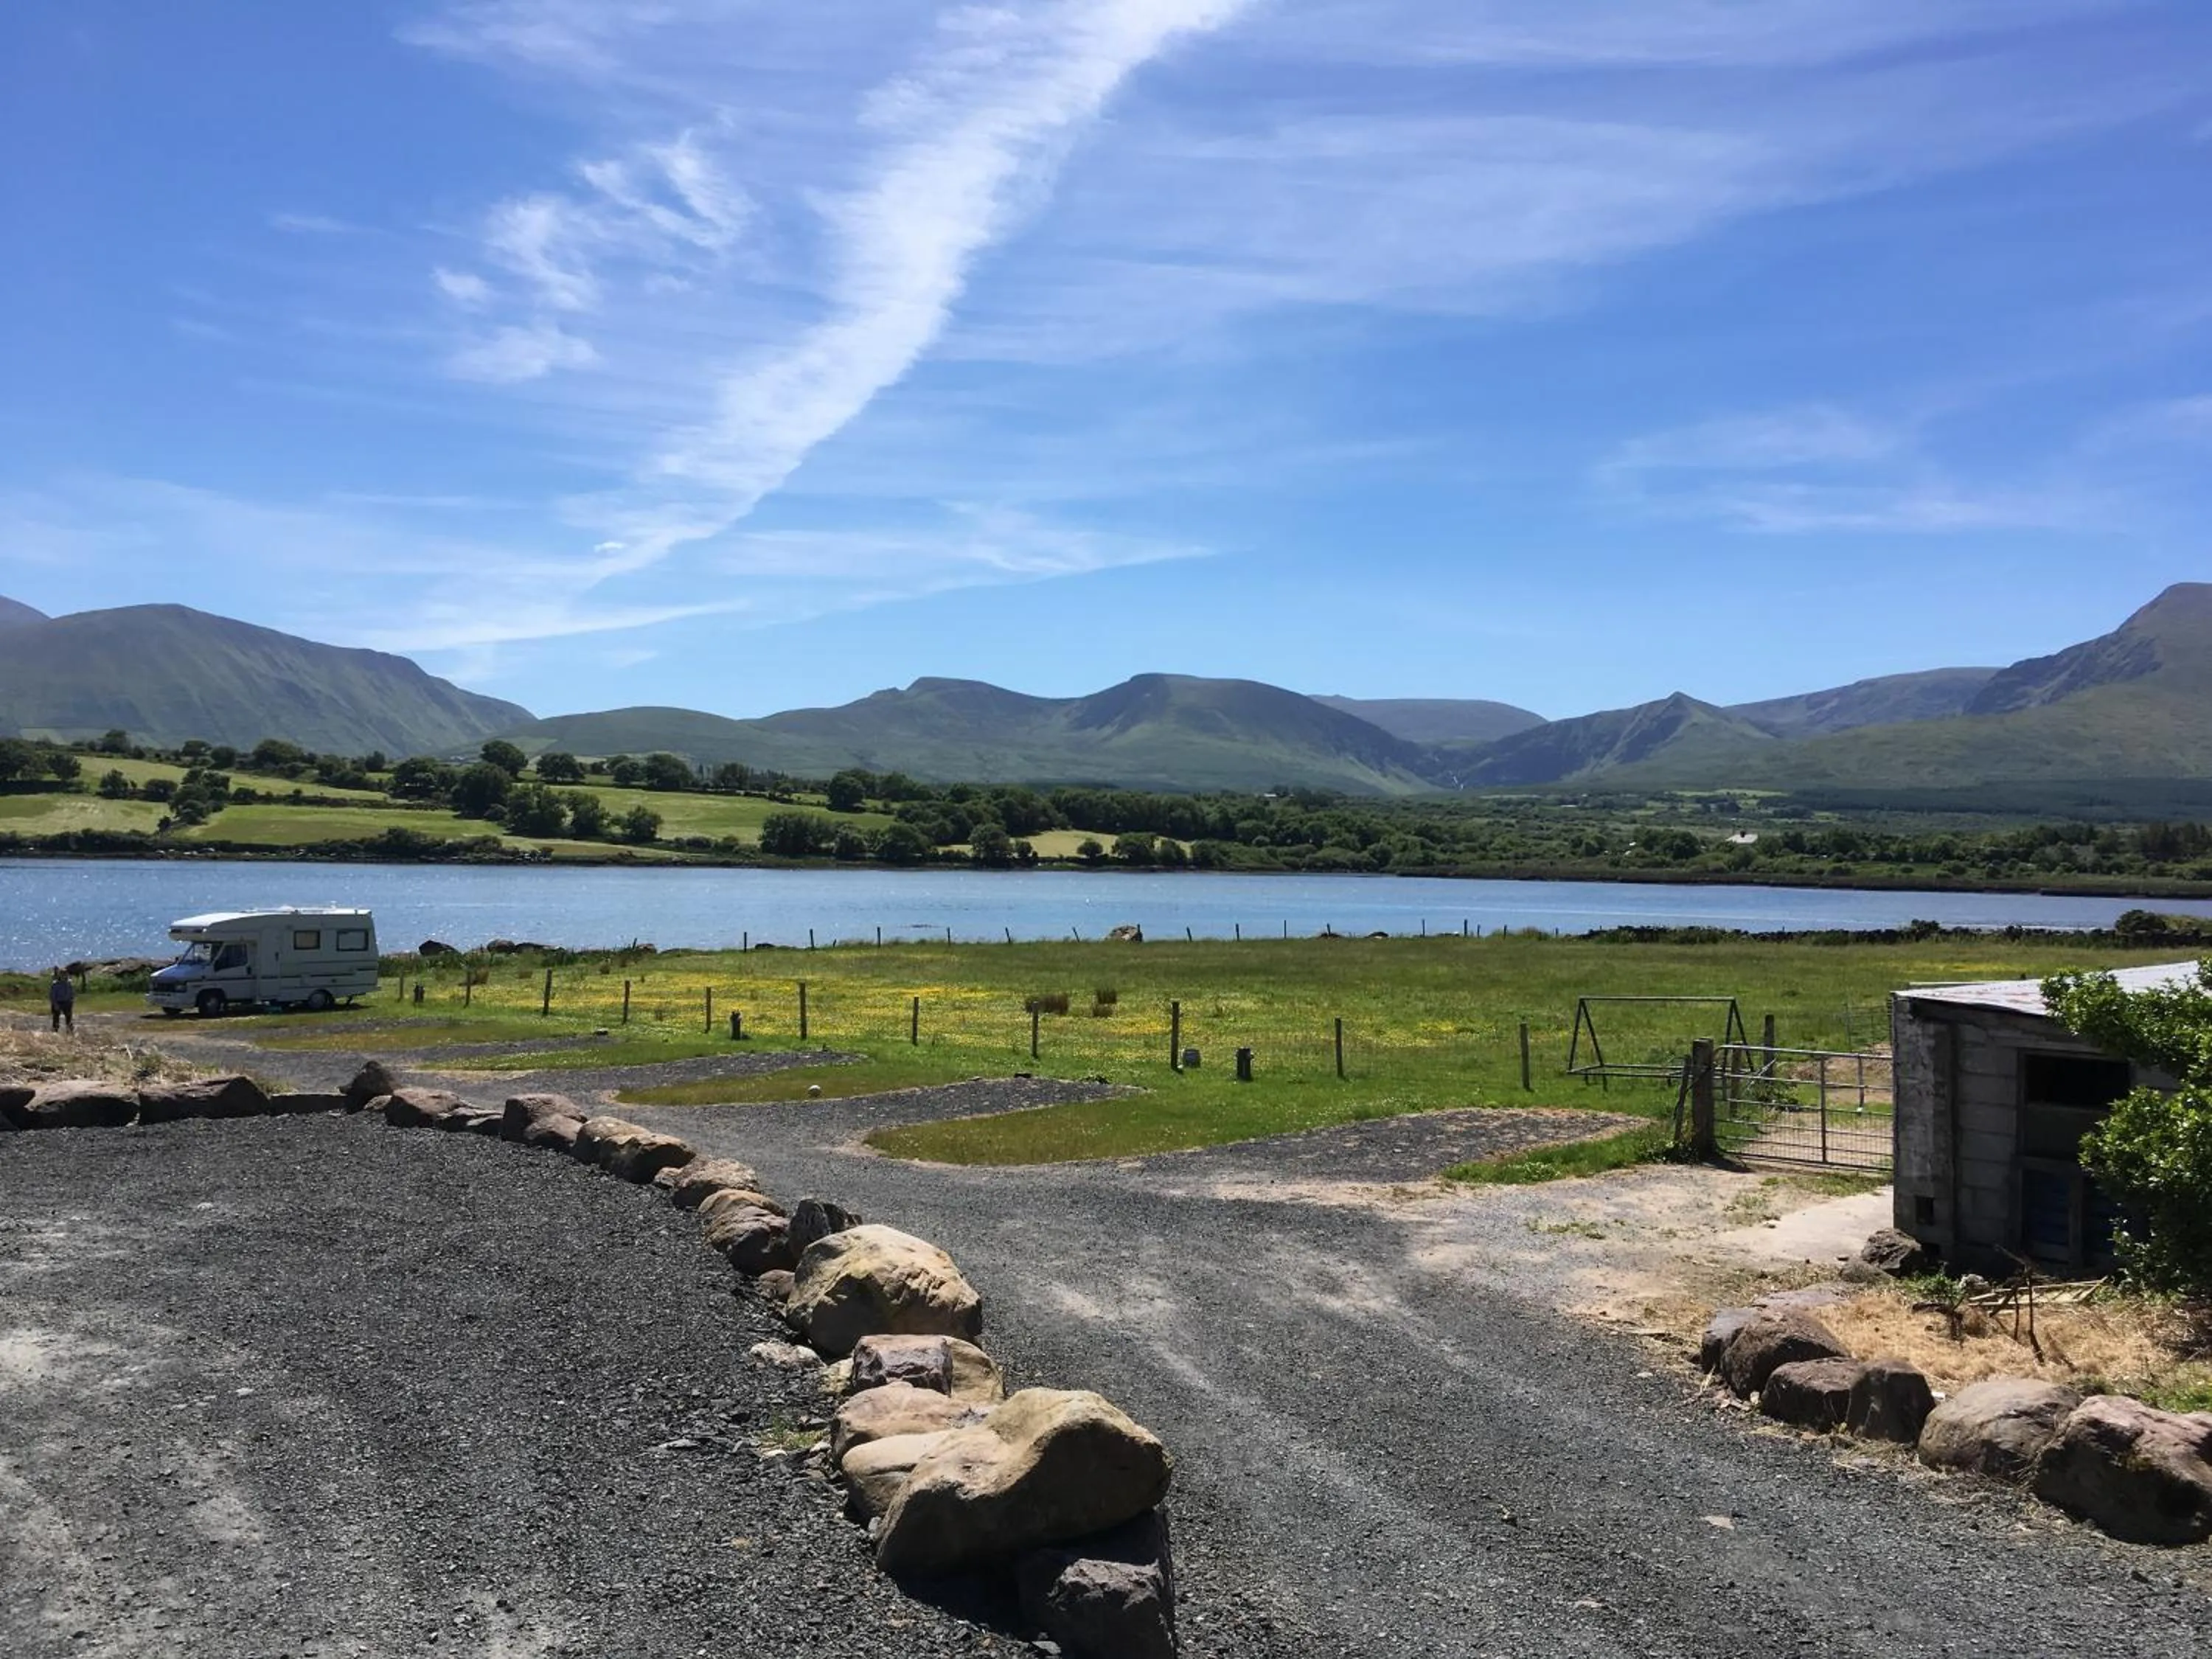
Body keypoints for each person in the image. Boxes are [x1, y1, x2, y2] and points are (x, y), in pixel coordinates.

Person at [48, 966, 75, 1034]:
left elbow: (71, 993)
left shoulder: (69, 983)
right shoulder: (56, 984)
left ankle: (70, 1032)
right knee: (56, 1019)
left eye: (65, 974)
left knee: (69, 1019)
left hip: (67, 1003)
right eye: (62, 974)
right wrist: (55, 1004)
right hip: (58, 1002)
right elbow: (53, 996)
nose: (64, 976)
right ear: (60, 975)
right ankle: (55, 1033)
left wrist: (71, 1001)